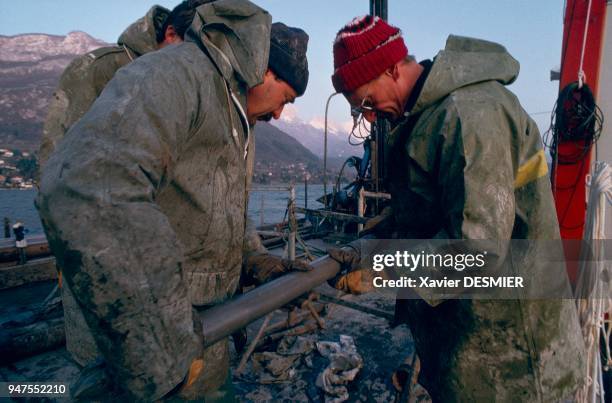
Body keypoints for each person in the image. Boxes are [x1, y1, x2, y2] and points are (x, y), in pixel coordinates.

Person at [36, 0, 309, 400]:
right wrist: (160, 342)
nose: (281, 115)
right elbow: (81, 191)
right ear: (265, 70)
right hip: (138, 332)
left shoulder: (234, 110)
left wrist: (249, 256)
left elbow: (213, 201)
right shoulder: (174, 76)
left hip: (201, 323)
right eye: (285, 98)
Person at [328, 15, 586, 401]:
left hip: (516, 359)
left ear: (393, 68)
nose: (368, 117)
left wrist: (384, 270)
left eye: (367, 101)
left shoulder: (470, 117)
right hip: (474, 346)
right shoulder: (425, 118)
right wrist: (366, 249)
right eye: (357, 110)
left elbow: (479, 250)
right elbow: (426, 215)